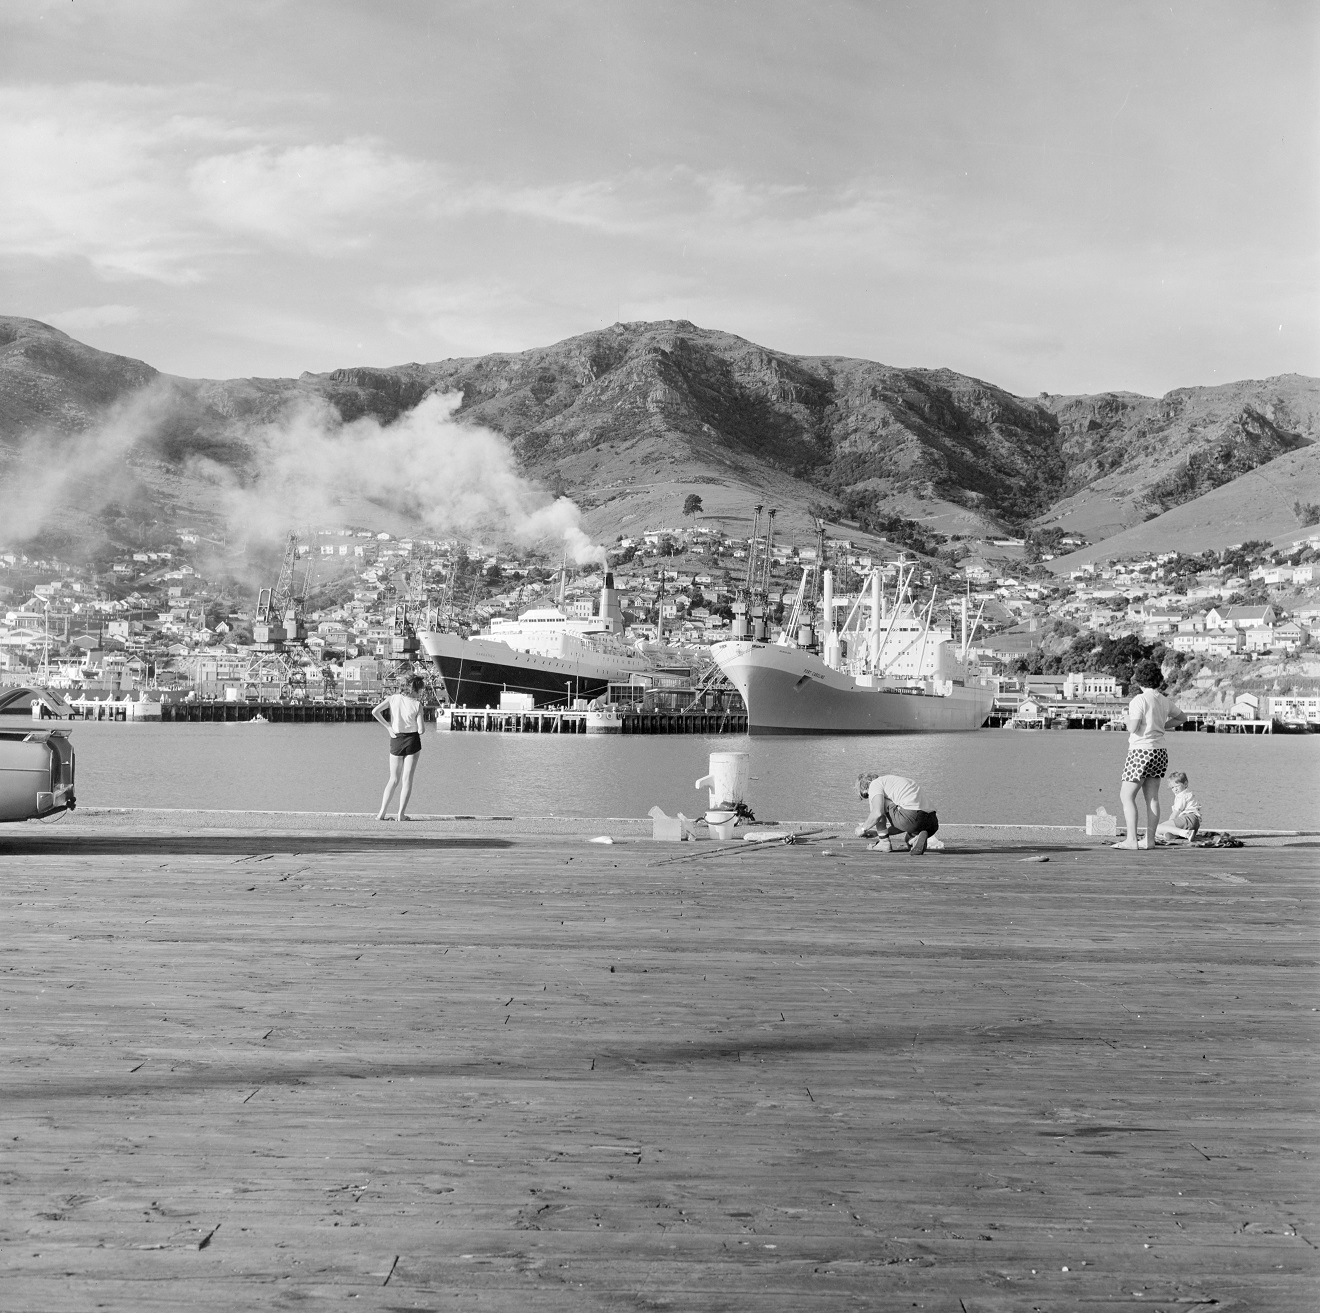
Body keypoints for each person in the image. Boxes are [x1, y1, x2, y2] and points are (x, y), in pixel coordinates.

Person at [1113, 659, 1185, 850]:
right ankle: (1150, 840)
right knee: (1152, 798)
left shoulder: (1139, 700)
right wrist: (1162, 726)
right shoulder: (1163, 700)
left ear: (1139, 679)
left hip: (1140, 752)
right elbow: (1182, 718)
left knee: (1126, 796)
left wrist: (1125, 717)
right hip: (1159, 752)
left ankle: (1131, 840)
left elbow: (1133, 727)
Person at [372, 675, 427, 821]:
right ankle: (400, 815)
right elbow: (421, 730)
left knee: (393, 779)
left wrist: (389, 728)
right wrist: (419, 716)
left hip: (396, 739)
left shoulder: (393, 698)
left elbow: (375, 712)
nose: (420, 692)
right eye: (420, 689)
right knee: (407, 779)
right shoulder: (417, 705)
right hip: (412, 741)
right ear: (415, 689)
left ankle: (381, 813)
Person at [855, 772, 940, 855]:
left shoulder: (874, 784)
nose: (870, 797)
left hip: (912, 817)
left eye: (867, 796)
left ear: (865, 789)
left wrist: (862, 829)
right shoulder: (898, 782)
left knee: (879, 805)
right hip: (932, 823)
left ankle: (884, 842)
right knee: (907, 838)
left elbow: (877, 813)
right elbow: (906, 823)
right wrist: (877, 833)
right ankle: (914, 838)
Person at [1156, 771, 1202, 842]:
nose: (1175, 789)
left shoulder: (1181, 796)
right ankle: (1175, 834)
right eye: (1172, 787)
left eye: (1177, 786)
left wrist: (1169, 823)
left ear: (1185, 784)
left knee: (1157, 828)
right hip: (1195, 823)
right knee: (1164, 831)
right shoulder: (1188, 793)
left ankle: (1185, 833)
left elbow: (1176, 812)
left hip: (1188, 819)